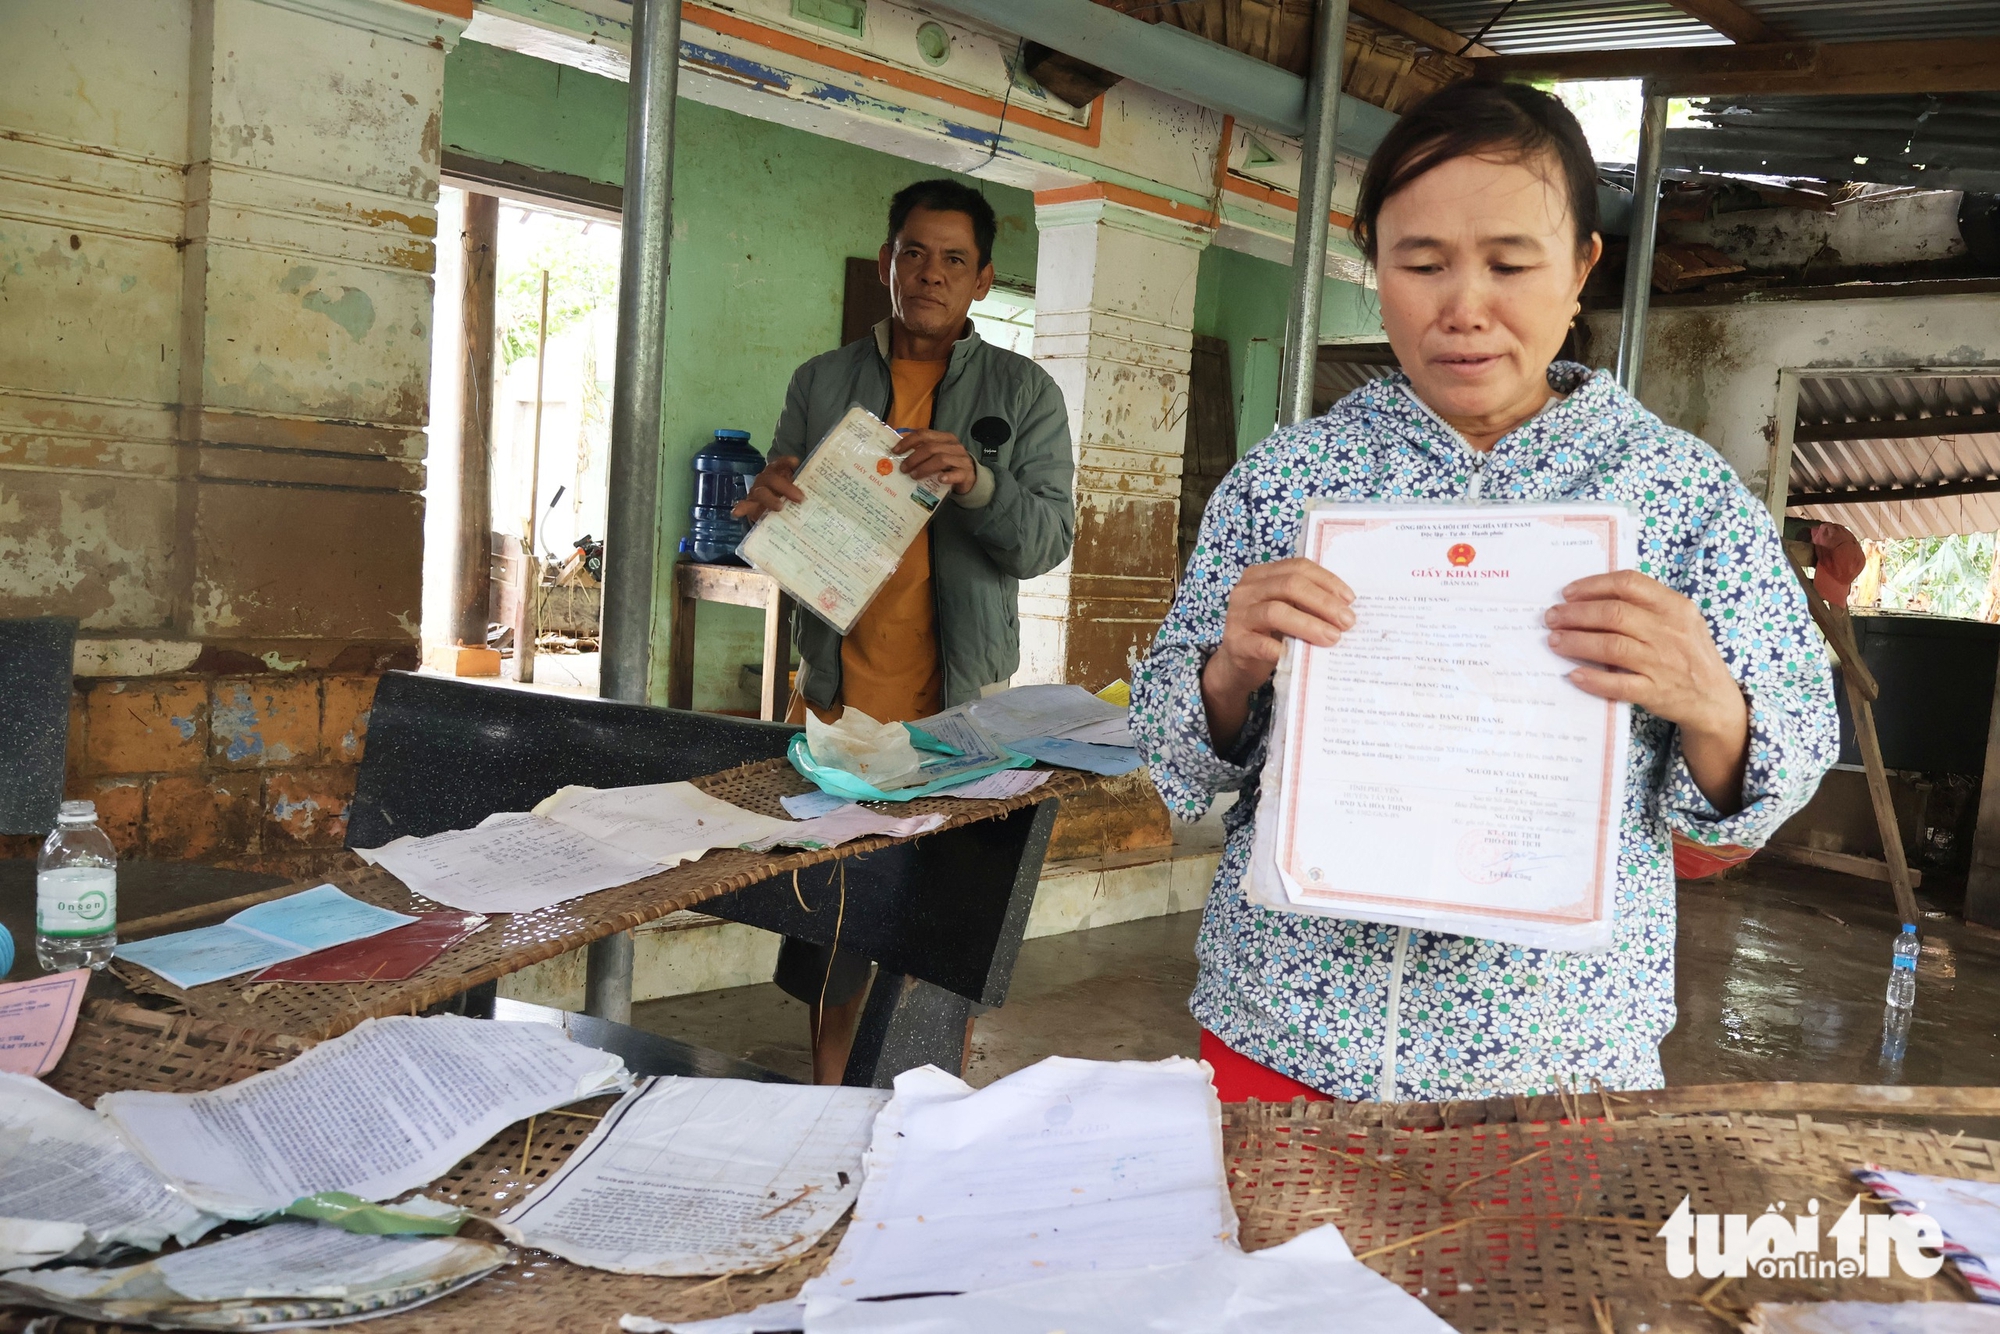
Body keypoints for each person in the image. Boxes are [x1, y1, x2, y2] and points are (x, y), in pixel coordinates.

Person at [1129, 81, 1839, 1104]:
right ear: (1371, 263)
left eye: (1509, 263)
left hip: (1551, 1057)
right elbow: (1169, 743)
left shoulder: (1676, 495)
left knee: (1527, 1276)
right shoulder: (1287, 480)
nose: (1463, 307)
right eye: (1421, 264)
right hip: (1280, 1027)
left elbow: (1780, 769)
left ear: (1580, 269)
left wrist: (1711, 704)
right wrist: (1229, 667)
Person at [732, 178, 1076, 1083]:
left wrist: (982, 484)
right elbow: (784, 510)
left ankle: (927, 1101)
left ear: (983, 280)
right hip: (842, 699)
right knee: (834, 919)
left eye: (953, 260)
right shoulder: (824, 381)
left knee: (944, 922)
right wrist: (768, 506)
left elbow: (1047, 542)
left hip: (963, 707)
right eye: (913, 253)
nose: (929, 274)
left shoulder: (1024, 391)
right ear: (889, 263)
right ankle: (832, 1099)